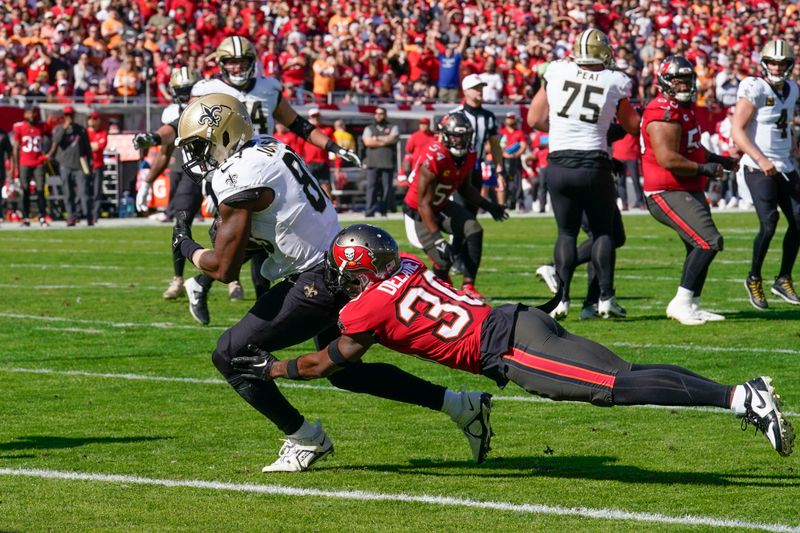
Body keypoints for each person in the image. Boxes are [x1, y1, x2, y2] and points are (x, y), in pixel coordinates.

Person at [232, 224, 795, 460]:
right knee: (627, 368)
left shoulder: (365, 305)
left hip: (506, 351)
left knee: (615, 389)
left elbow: (329, 361)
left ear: (357, 270)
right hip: (519, 318)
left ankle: (739, 400)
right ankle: (740, 391)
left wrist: (276, 370)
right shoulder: (404, 263)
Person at [171, 94, 493, 472]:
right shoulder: (268, 145)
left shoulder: (237, 177)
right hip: (340, 265)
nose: (197, 155)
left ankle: (304, 438)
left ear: (223, 134)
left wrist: (185, 244)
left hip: (317, 279)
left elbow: (224, 269)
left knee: (229, 354)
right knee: (347, 372)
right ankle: (462, 405)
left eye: (200, 145)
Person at [133, 36, 360, 324]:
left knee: (263, 240)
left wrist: (333, 147)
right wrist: (154, 137)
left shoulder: (268, 88)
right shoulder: (207, 89)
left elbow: (298, 124)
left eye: (242, 61)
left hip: (263, 167)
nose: (237, 67)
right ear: (221, 65)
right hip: (231, 172)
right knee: (245, 240)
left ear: (253, 63)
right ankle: (245, 305)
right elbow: (184, 124)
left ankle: (206, 286)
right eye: (231, 61)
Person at [527, 29, 640, 320]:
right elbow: (632, 126)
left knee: (566, 232)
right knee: (604, 232)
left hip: (559, 162)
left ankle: (561, 300)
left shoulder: (556, 69)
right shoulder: (615, 80)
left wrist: (566, 131)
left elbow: (534, 119)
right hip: (593, 163)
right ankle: (605, 298)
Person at [642, 56, 738, 325]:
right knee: (708, 241)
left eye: (687, 79)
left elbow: (694, 148)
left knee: (696, 244)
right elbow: (668, 159)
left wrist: (720, 161)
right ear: (665, 82)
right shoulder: (664, 111)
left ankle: (692, 303)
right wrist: (706, 170)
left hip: (683, 187)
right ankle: (681, 303)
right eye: (677, 80)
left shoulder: (682, 107)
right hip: (665, 190)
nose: (683, 84)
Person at [403, 112, 507, 299]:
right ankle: (441, 289)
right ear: (444, 135)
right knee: (443, 260)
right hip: (418, 212)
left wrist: (489, 206)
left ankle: (469, 285)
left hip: (441, 205)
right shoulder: (434, 156)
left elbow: (466, 188)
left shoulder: (469, 154)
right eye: (455, 136)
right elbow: (423, 204)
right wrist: (437, 238)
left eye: (463, 136)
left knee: (474, 229)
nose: (459, 141)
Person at [731, 40, 800, 309]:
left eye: (782, 62)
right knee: (769, 222)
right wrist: (761, 159)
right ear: (764, 63)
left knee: (799, 222)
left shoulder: (793, 88)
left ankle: (783, 278)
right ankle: (753, 278)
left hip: (785, 165)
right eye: (773, 62)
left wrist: (793, 141)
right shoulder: (754, 87)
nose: (777, 67)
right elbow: (737, 130)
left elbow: (784, 121)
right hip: (756, 165)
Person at [46, 106, 92, 226]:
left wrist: (89, 163)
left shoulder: (81, 130)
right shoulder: (58, 129)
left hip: (79, 165)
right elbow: (55, 142)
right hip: (65, 165)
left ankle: (87, 215)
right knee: (68, 193)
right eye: (67, 115)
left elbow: (87, 149)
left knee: (83, 192)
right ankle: (71, 216)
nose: (69, 118)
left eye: (71, 115)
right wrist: (64, 128)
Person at [11, 105, 48, 226]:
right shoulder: (19, 127)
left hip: (38, 162)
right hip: (25, 162)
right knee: (25, 190)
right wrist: (16, 167)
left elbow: (50, 140)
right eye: (29, 113)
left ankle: (42, 217)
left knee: (40, 189)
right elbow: (16, 148)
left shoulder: (41, 126)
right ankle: (26, 217)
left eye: (33, 113)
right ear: (25, 114)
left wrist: (47, 154)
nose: (32, 115)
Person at [362, 107, 399, 217]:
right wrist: (385, 140)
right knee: (371, 187)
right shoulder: (369, 128)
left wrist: (376, 139)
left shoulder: (393, 127)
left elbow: (393, 138)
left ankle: (384, 210)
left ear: (385, 115)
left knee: (386, 188)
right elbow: (367, 142)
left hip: (387, 162)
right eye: (377, 114)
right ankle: (370, 211)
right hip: (372, 162)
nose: (379, 116)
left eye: (381, 113)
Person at [300, 108, 333, 199]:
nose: (316, 118)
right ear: (310, 118)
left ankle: (329, 207)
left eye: (317, 116)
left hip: (323, 162)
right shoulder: (305, 130)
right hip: (310, 162)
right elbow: (300, 146)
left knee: (325, 186)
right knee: (308, 186)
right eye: (314, 116)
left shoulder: (327, 130)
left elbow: (332, 145)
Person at [498, 112, 527, 210]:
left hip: (515, 160)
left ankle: (520, 202)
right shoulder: (501, 132)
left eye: (512, 118)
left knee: (517, 181)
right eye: (509, 118)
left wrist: (516, 154)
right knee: (503, 181)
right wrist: (504, 154)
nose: (510, 120)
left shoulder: (519, 133)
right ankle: (505, 202)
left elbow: (523, 146)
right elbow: (498, 146)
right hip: (504, 160)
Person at [86, 111, 108, 225]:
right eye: (90, 119)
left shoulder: (102, 132)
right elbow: (88, 147)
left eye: (94, 119)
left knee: (96, 191)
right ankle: (85, 213)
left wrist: (91, 146)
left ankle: (95, 215)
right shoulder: (85, 133)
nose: (92, 121)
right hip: (86, 166)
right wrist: (92, 146)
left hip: (98, 165)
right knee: (85, 191)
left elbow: (99, 146)